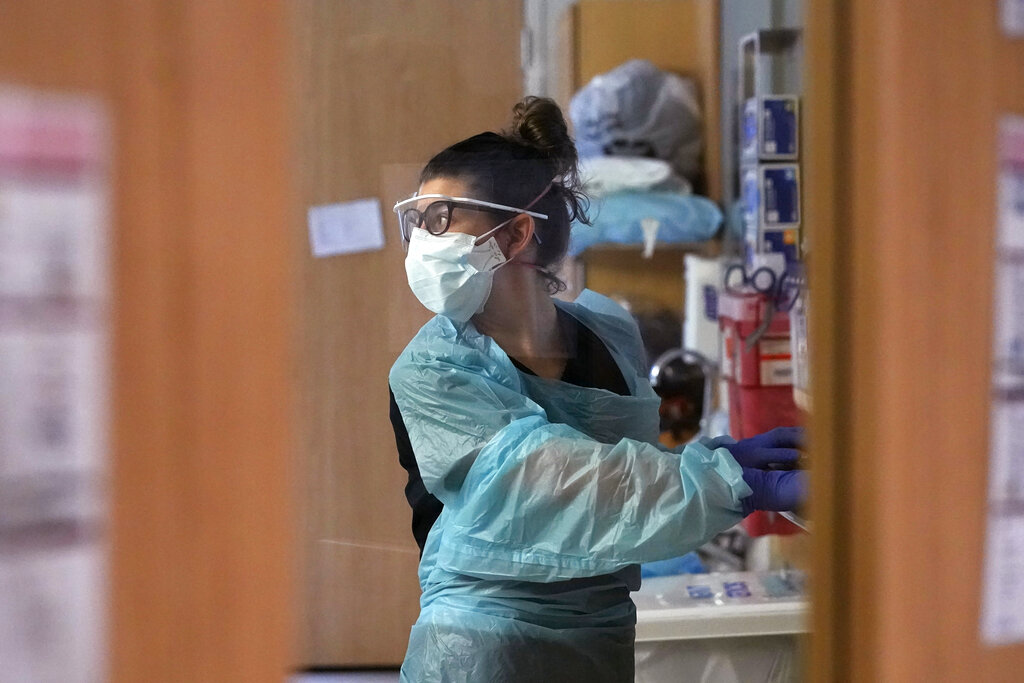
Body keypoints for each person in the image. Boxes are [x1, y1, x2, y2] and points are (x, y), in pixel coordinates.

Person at [388, 96, 805, 683]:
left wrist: (717, 461)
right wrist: (735, 483)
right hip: (483, 640)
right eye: (416, 222)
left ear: (517, 234)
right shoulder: (432, 369)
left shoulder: (606, 337)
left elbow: (614, 473)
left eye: (440, 219)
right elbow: (547, 483)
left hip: (602, 625)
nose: (420, 242)